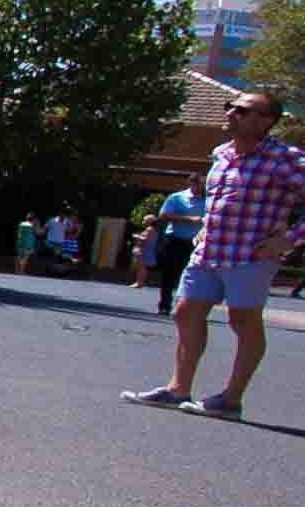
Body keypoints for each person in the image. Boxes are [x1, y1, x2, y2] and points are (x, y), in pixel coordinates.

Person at [123, 90, 305, 421]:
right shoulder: (221, 154)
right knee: (184, 311)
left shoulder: (284, 158)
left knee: (243, 320)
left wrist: (288, 240)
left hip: (250, 256)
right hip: (208, 252)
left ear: (266, 121)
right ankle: (177, 389)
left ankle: (230, 399)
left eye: (242, 110)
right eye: (230, 107)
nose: (231, 113)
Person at [150, 175, 204, 316]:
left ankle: (183, 307)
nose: (203, 188)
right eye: (200, 184)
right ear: (192, 183)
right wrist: (189, 219)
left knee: (192, 276)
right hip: (176, 239)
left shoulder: (209, 200)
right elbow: (163, 215)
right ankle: (164, 305)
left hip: (197, 243)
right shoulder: (177, 198)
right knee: (170, 274)